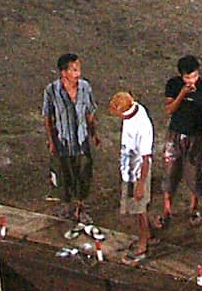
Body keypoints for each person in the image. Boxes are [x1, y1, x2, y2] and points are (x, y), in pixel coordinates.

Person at [160, 54, 202, 229]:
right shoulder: (173, 85)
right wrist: (182, 94)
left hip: (195, 136)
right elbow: (169, 110)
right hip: (175, 134)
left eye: (194, 76)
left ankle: (194, 208)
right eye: (187, 77)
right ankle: (167, 210)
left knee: (194, 173)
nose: (192, 80)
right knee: (170, 172)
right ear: (181, 76)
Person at [42, 53, 98, 228]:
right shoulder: (51, 91)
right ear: (63, 72)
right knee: (64, 174)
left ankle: (80, 208)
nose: (78, 74)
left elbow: (89, 114)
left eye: (78, 69)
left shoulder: (85, 88)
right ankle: (67, 205)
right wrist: (52, 141)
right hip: (62, 141)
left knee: (83, 175)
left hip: (81, 141)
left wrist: (93, 134)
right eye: (74, 70)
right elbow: (48, 119)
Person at [109, 91, 153, 264]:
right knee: (137, 209)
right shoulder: (134, 110)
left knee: (139, 210)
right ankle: (148, 234)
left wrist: (141, 184)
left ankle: (142, 245)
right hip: (129, 170)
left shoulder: (142, 126)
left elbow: (146, 159)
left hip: (138, 173)